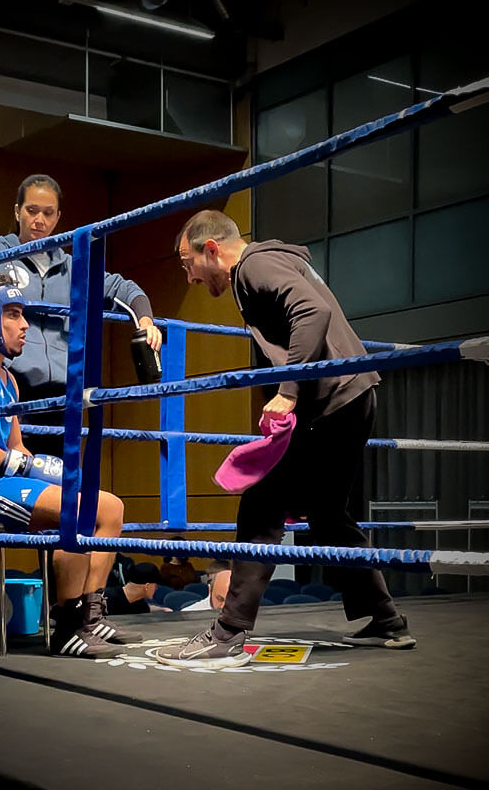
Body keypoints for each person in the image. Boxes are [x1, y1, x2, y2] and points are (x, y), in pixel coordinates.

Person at [156, 210, 415, 670]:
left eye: (187, 263)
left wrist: (288, 391)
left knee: (262, 505)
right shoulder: (266, 265)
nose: (190, 276)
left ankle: (229, 631)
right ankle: (387, 620)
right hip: (349, 396)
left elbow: (312, 312)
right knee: (329, 516)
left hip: (333, 399)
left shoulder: (254, 265)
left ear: (211, 249)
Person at [0, 269, 142, 657]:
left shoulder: (7, 379)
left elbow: (18, 447)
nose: (24, 325)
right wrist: (22, 467)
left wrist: (43, 468)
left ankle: (89, 617)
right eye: (12, 314)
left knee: (109, 508)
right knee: (74, 513)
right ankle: (66, 628)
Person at [0, 173, 162, 456]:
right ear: (17, 211)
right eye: (31, 211)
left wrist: (145, 320)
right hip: (10, 385)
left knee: (58, 480)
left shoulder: (74, 266)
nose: (39, 220)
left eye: (47, 213)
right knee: (13, 471)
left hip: (61, 393)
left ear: (58, 217)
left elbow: (125, 288)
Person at [103, 562, 170, 615]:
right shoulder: (106, 599)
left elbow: (146, 608)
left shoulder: (138, 603)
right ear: (147, 586)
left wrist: (163, 609)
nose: (157, 588)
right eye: (156, 585)